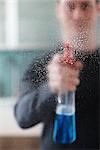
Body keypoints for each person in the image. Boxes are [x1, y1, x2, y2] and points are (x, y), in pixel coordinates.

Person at [14, 0, 100, 149]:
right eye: (70, 6)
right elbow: (22, 117)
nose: (78, 15)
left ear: (97, 8)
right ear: (59, 9)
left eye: (85, 6)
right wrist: (51, 88)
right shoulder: (40, 66)